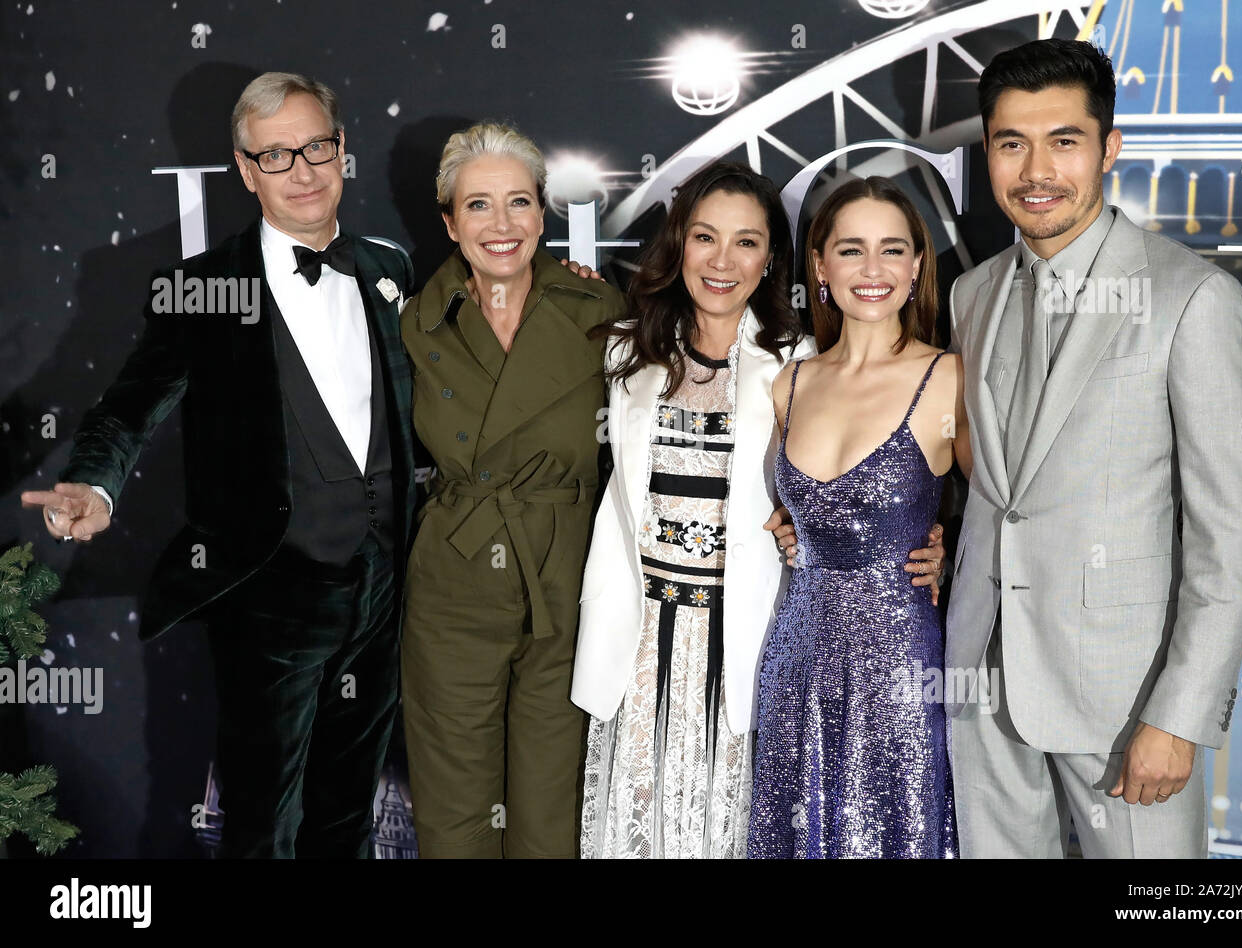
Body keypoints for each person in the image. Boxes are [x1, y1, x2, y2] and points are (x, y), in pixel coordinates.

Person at [20, 72, 416, 858]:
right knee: (263, 822)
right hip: (271, 587)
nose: (303, 172)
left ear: (343, 152)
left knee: (349, 812)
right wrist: (98, 483)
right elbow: (129, 406)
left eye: (316, 147)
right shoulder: (201, 288)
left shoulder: (389, 268)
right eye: (277, 156)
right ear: (244, 170)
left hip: (385, 583)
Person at [945, 38, 1242, 858]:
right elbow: (999, 489)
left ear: (1109, 148)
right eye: (1012, 144)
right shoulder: (973, 292)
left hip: (1129, 700)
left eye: (1064, 141)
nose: (1036, 171)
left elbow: (1232, 533)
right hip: (983, 682)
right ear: (989, 151)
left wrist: (1180, 712)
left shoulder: (1191, 296)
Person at [573, 162, 949, 858]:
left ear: (773, 258)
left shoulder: (796, 362)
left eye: (746, 242)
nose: (722, 261)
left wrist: (934, 538)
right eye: (705, 238)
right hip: (639, 648)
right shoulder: (626, 350)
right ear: (677, 243)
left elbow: (866, 482)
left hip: (747, 646)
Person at [399, 123, 624, 858]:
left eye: (519, 203)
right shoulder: (413, 323)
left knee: (550, 814)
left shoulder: (598, 312)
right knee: (455, 814)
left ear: (543, 213)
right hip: (454, 588)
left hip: (565, 584)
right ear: (449, 223)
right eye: (479, 207)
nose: (502, 226)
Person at [747, 175, 967, 858]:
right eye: (851, 250)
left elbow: (1009, 509)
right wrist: (788, 527)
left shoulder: (950, 377)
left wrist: (950, 551)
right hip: (794, 665)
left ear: (917, 266)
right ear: (819, 265)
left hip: (900, 676)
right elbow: (774, 513)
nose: (872, 271)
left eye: (892, 250)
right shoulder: (790, 382)